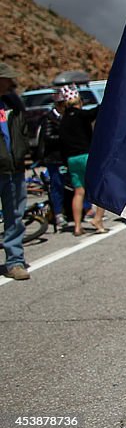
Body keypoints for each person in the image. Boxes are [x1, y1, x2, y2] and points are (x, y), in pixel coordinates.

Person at [58, 85, 107, 236]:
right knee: (101, 188)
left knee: (79, 192)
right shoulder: (80, 115)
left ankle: (77, 226)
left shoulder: (63, 120)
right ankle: (97, 219)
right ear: (79, 101)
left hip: (72, 159)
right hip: (86, 156)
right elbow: (96, 112)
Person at [1, 62, 31, 280]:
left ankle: (15, 261)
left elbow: (22, 131)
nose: (12, 82)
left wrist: (23, 154)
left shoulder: (13, 103)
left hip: (14, 169)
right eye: (7, 79)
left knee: (15, 216)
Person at [41, 89, 69, 230]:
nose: (64, 106)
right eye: (62, 104)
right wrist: (64, 138)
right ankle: (58, 213)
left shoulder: (67, 116)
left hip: (66, 157)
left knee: (74, 185)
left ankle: (79, 211)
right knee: (57, 186)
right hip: (54, 158)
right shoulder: (49, 118)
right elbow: (47, 137)